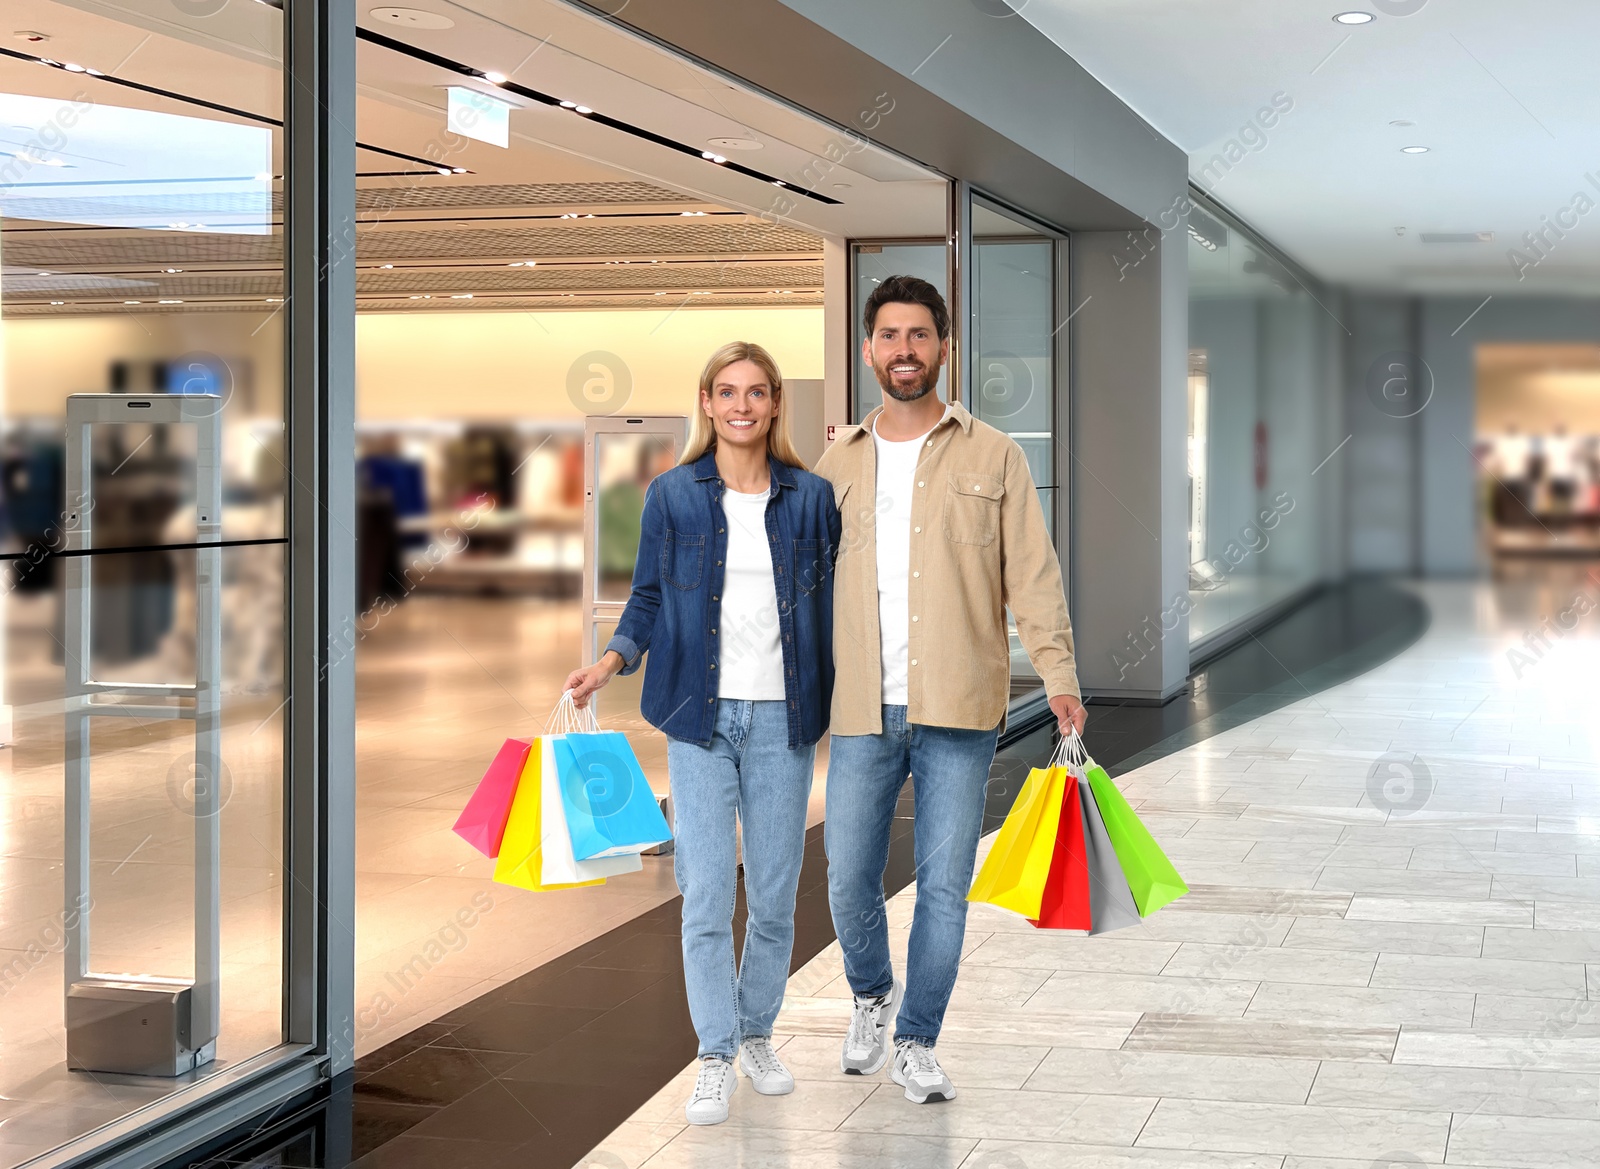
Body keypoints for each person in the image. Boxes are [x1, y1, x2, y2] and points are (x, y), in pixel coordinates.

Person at [815, 275, 1086, 1104]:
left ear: (944, 347)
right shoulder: (835, 462)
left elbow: (1032, 576)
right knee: (847, 878)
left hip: (960, 709)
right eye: (889, 336)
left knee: (942, 885)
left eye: (919, 336)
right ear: (868, 350)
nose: (904, 350)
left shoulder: (994, 453)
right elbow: (801, 585)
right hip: (861, 706)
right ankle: (870, 994)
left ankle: (918, 1038)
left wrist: (1062, 675)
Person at [565, 342, 839, 1126]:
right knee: (707, 889)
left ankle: (758, 1032)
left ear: (776, 402)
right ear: (708, 403)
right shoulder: (673, 496)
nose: (742, 405)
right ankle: (715, 1050)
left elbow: (838, 608)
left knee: (778, 894)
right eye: (728, 392)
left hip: (785, 720)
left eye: (756, 392)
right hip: (697, 716)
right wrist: (610, 660)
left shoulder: (813, 499)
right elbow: (646, 597)